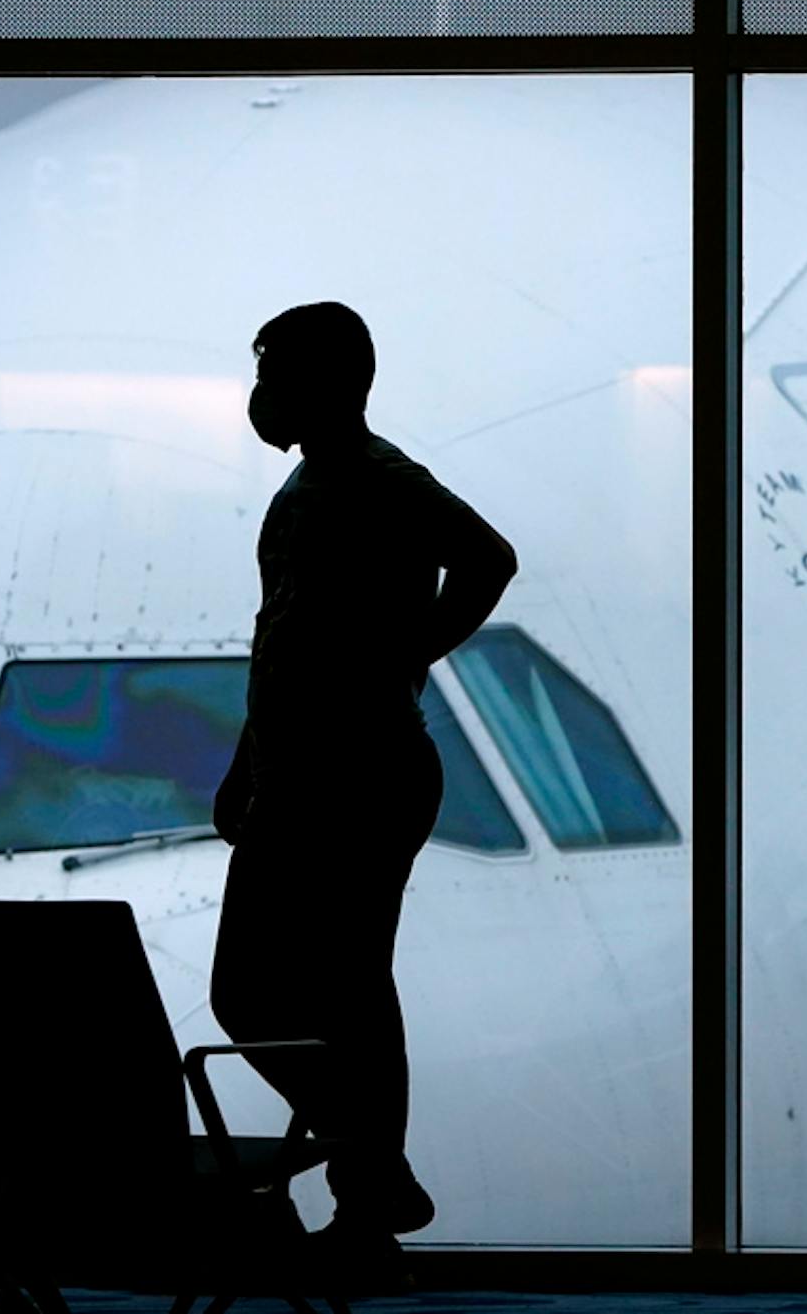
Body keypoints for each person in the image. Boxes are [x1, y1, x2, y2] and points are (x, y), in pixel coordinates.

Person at [207, 301, 517, 1277]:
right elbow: (282, 636)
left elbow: (489, 559)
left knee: (323, 992)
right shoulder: (305, 486)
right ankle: (372, 1177)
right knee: (277, 994)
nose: (262, 392)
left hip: (362, 775)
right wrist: (247, 761)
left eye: (276, 372)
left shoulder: (382, 479)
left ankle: (368, 1188)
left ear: (328, 382)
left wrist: (406, 656)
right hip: (300, 778)